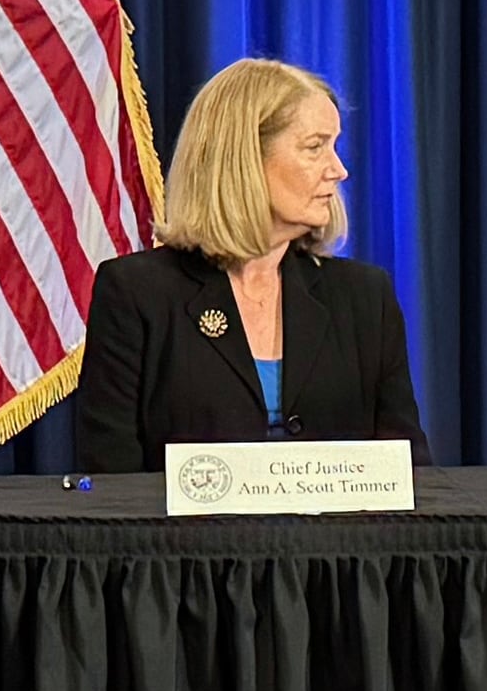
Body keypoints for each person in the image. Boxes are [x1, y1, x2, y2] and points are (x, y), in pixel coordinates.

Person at [76, 57, 427, 472]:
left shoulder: (366, 297)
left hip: (340, 539)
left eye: (335, 146)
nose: (339, 170)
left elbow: (406, 473)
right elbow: (110, 482)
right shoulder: (137, 294)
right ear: (242, 159)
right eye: (315, 147)